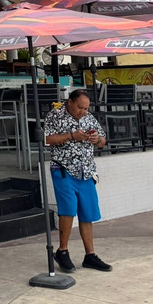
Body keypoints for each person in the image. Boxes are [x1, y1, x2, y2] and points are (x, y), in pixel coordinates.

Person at [43, 89, 111, 273]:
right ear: (70, 102)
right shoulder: (55, 115)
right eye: (80, 107)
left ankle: (90, 255)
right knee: (68, 210)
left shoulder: (89, 117)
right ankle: (62, 251)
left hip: (86, 171)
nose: (83, 111)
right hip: (64, 168)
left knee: (88, 212)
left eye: (86, 108)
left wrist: (97, 139)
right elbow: (47, 139)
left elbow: (103, 140)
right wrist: (72, 136)